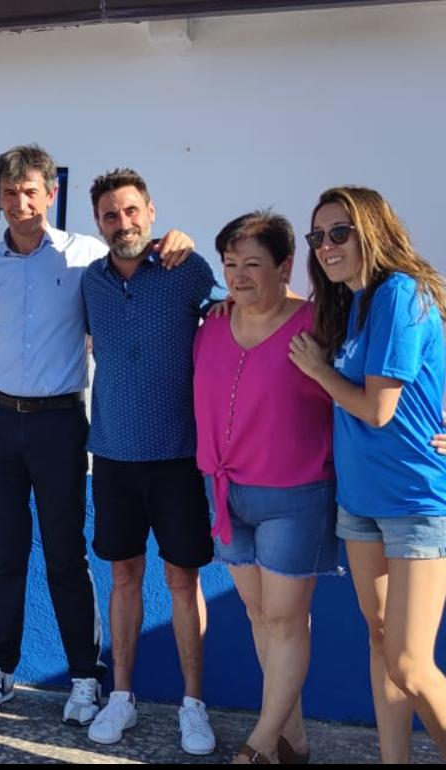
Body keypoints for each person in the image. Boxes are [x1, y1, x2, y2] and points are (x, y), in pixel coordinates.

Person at [0, 146, 194, 723]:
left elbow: (137, 267)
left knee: (65, 554)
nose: (18, 203)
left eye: (29, 191)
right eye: (8, 193)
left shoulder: (88, 257)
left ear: (51, 194)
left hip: (59, 423)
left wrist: (176, 242)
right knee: (5, 553)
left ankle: (86, 677)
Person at [289, 186, 446, 763]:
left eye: (339, 233)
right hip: (360, 501)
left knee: (409, 660)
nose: (326, 246)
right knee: (380, 640)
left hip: (415, 498)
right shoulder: (354, 302)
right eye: (318, 236)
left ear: (371, 231)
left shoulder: (401, 293)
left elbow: (379, 409)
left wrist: (317, 371)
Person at [79, 168, 217, 755]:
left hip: (179, 457)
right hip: (111, 455)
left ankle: (193, 705)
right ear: (99, 223)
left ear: (151, 211)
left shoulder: (189, 271)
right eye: (111, 214)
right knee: (123, 577)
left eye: (131, 210)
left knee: (183, 581)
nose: (123, 223)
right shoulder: (90, 282)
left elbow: (231, 321)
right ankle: (122, 698)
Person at [193, 211, 335, 763]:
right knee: (258, 616)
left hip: (295, 495)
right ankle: (291, 738)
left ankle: (259, 743)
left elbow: (381, 377)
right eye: (231, 265)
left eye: (253, 264)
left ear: (285, 266)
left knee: (285, 618)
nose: (239, 276)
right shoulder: (211, 326)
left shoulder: (318, 322)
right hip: (228, 494)